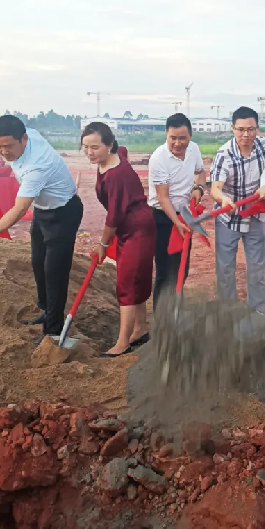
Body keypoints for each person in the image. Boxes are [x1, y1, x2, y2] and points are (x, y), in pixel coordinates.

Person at [0, 115, 83, 342]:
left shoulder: (37, 165)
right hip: (43, 208)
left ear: (24, 138)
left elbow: (19, 209)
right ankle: (47, 310)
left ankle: (53, 331)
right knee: (38, 261)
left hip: (63, 212)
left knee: (54, 272)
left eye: (8, 146)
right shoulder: (19, 136)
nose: (2, 151)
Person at [82, 122, 156, 357]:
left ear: (109, 145)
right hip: (129, 226)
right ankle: (140, 328)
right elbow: (123, 150)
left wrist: (103, 245)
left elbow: (113, 216)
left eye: (95, 147)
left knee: (127, 281)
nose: (89, 152)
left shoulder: (116, 175)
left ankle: (123, 341)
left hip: (137, 228)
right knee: (136, 277)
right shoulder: (113, 157)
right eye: (85, 147)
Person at [210, 106, 265, 312]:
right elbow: (215, 188)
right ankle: (227, 313)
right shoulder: (224, 154)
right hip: (228, 218)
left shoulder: (262, 145)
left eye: (250, 129)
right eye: (240, 129)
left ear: (257, 128)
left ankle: (257, 313)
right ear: (233, 128)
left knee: (256, 268)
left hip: (254, 215)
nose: (246, 135)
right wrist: (224, 199)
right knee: (225, 270)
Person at [148, 113, 206, 310]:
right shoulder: (158, 158)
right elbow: (163, 197)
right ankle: (162, 321)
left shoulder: (194, 150)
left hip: (184, 215)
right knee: (165, 271)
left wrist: (199, 189)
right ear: (166, 134)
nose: (178, 143)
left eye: (182, 138)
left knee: (182, 267)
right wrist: (176, 222)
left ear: (190, 136)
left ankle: (176, 312)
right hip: (163, 218)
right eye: (173, 138)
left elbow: (200, 172)